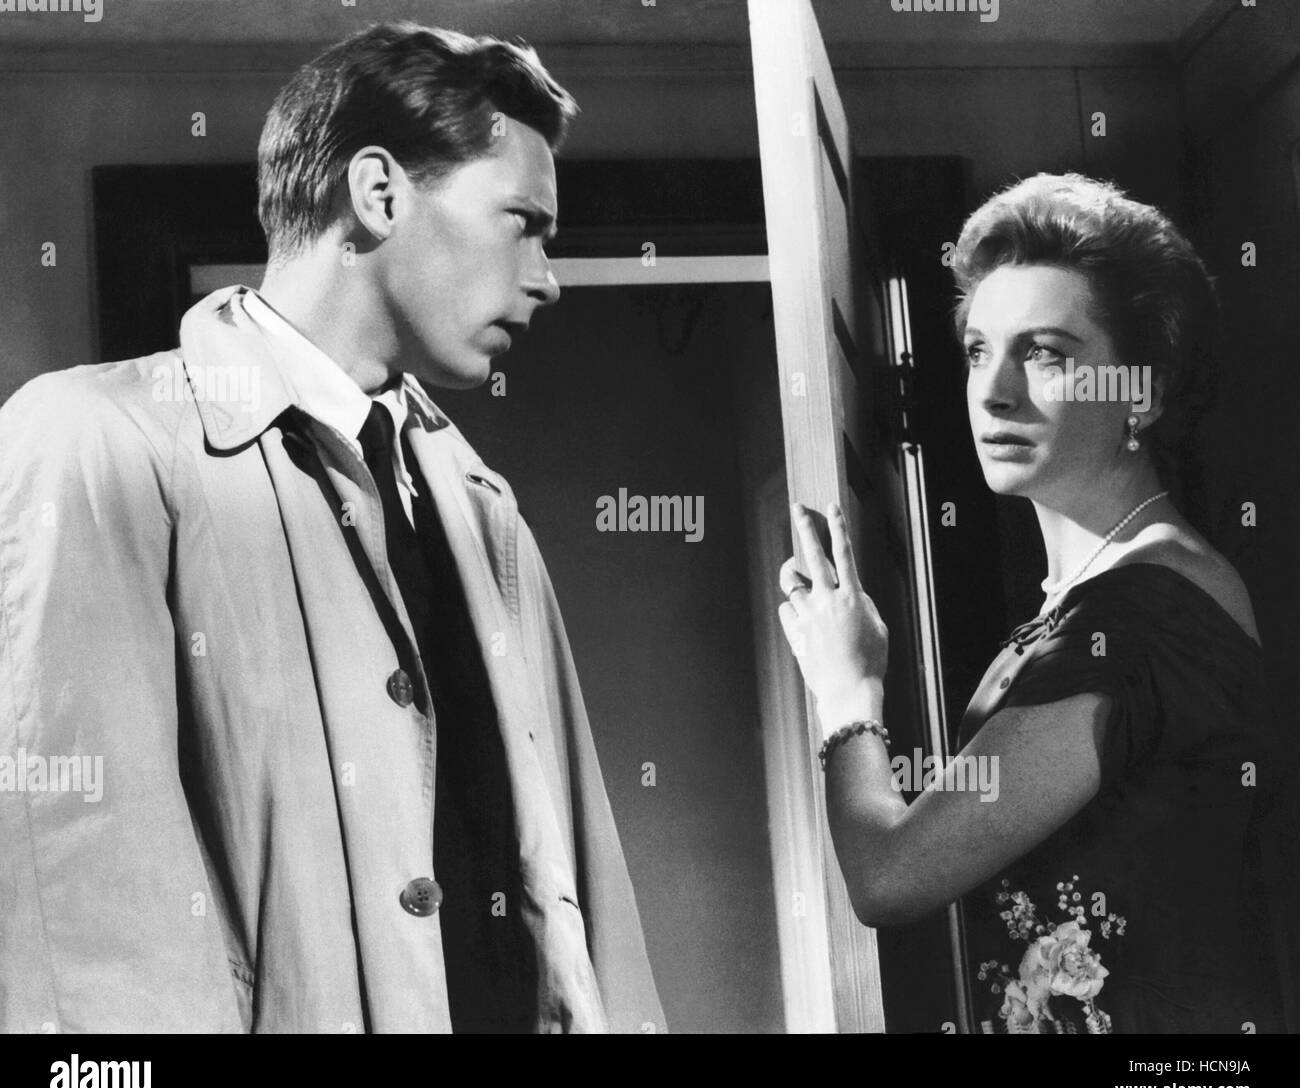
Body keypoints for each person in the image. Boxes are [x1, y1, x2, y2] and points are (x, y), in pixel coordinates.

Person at [0, 22, 664, 1034]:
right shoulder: (97, 445)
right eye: (522, 222)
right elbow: (83, 920)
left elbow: (576, 900)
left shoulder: (482, 508)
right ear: (379, 193)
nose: (548, 276)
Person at [777, 172, 1298, 1033]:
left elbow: (893, 877)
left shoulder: (1146, 612)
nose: (994, 390)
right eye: (980, 349)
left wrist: (847, 688)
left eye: (1047, 352)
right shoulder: (1091, 602)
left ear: (1143, 392)